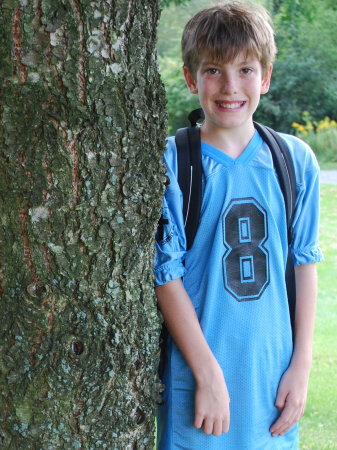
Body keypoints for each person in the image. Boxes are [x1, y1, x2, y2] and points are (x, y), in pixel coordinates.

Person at [154, 2, 323, 449]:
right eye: (213, 69)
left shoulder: (295, 161)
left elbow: (304, 266)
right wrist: (207, 376)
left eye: (246, 69)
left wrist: (301, 367)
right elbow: (165, 275)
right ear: (191, 78)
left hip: (273, 384)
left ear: (265, 77)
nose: (230, 86)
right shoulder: (173, 162)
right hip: (200, 383)